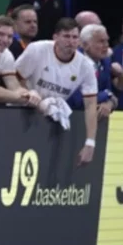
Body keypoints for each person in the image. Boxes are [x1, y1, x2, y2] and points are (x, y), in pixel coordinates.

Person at [15, 18, 98, 165]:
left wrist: (90, 142)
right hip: (21, 108)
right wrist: (30, 95)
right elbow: (14, 78)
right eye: (66, 36)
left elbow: (91, 104)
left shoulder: (85, 65)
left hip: (53, 115)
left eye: (74, 37)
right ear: (55, 37)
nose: (71, 42)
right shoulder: (37, 50)